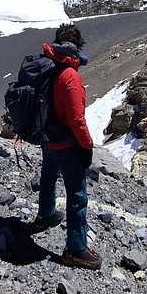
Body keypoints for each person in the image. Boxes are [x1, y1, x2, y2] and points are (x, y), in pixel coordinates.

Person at [32, 23, 101, 270]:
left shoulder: (48, 66)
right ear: (77, 47)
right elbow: (76, 119)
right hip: (66, 143)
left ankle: (45, 216)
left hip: (47, 139)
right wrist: (87, 146)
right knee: (77, 194)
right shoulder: (69, 75)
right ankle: (75, 249)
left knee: (48, 177)